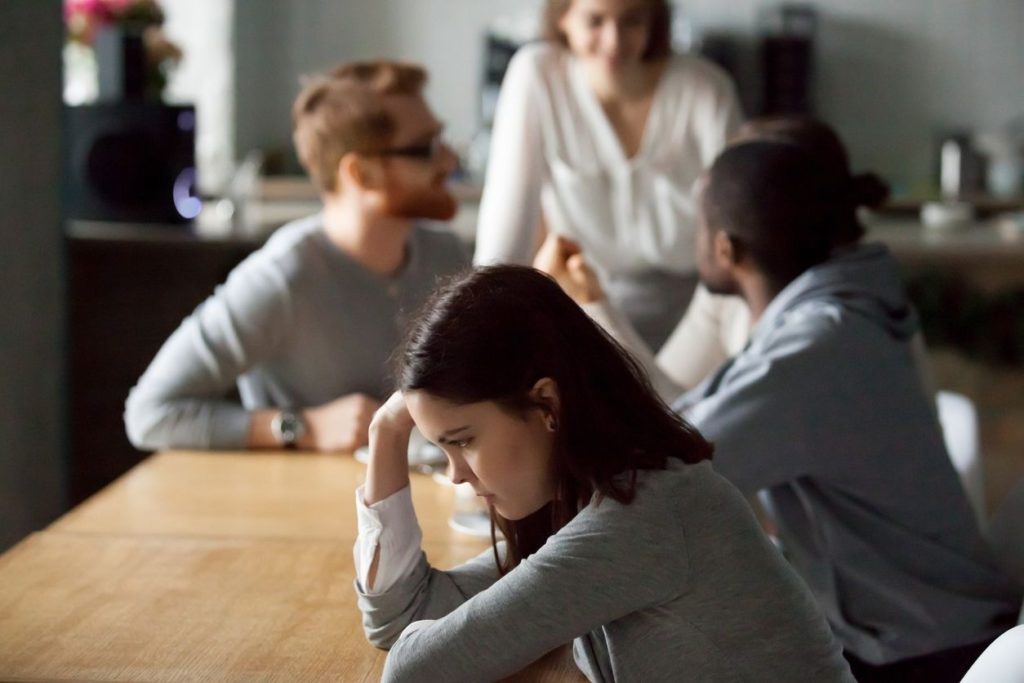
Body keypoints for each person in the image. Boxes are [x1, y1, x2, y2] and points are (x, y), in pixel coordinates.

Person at [353, 265, 854, 682]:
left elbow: (416, 670)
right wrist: (387, 432)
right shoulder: (598, 501)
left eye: (463, 440)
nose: (457, 475)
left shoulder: (638, 521)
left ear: (546, 403)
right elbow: (403, 619)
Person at [674, 141, 1020, 680]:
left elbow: (672, 460)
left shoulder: (819, 346)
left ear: (726, 248)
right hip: (913, 636)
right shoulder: (822, 322)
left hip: (926, 657)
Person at [124, 61, 468, 452]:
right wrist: (302, 427)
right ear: (360, 174)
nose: (449, 161)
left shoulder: (448, 254)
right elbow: (150, 415)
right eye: (425, 149)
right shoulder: (281, 279)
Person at [535, 116, 932, 402]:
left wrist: (592, 309)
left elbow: (695, 445)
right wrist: (593, 302)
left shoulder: (824, 331)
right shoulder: (736, 285)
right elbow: (669, 404)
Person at [474, 0, 742, 349]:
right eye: (595, 21)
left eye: (632, 21)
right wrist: (477, 324)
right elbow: (506, 229)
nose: (614, 41)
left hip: (698, 312)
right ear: (563, 19)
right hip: (584, 305)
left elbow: (739, 223)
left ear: (654, 21)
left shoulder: (705, 88)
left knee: (682, 402)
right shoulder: (537, 74)